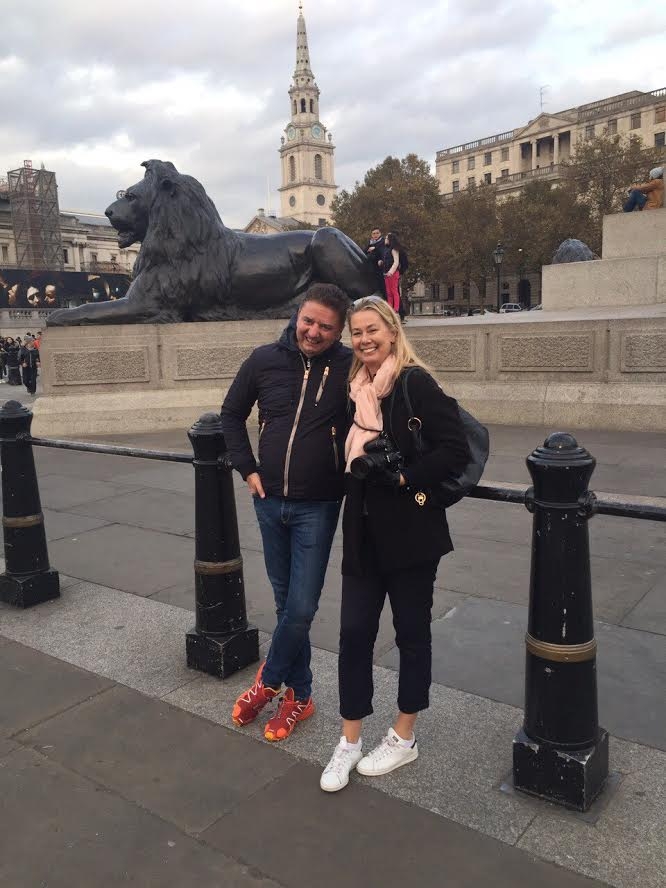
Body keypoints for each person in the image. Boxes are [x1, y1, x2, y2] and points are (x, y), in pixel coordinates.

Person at [320, 296, 470, 792]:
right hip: (362, 531)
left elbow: (455, 449)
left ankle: (404, 736)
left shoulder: (414, 382)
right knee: (353, 635)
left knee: (411, 635)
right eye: (356, 333)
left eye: (371, 330)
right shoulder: (355, 388)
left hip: (410, 533)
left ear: (392, 330)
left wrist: (405, 476)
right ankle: (349, 741)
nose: (363, 340)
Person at [221, 283, 353, 742]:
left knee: (300, 607)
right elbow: (230, 414)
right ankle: (301, 696)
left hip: (318, 505)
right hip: (268, 500)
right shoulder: (263, 359)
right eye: (309, 320)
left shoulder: (349, 367)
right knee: (284, 605)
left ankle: (268, 681)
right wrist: (246, 468)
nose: (314, 332)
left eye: (326, 327)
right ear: (298, 314)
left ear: (339, 333)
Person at [382, 232, 402, 315]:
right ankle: (390, 308)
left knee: (394, 291)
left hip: (392, 273)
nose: (385, 240)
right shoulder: (387, 250)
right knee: (389, 292)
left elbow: (396, 262)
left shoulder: (394, 250)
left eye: (386, 238)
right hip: (387, 273)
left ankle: (396, 308)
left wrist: (391, 272)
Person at [365, 227, 387, 298]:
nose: (375, 235)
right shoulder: (370, 242)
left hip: (381, 268)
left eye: (377, 233)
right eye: (374, 233)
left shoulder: (383, 242)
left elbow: (383, 251)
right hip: (372, 268)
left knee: (383, 288)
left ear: (380, 233)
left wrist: (375, 248)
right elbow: (364, 251)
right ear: (371, 235)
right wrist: (368, 250)